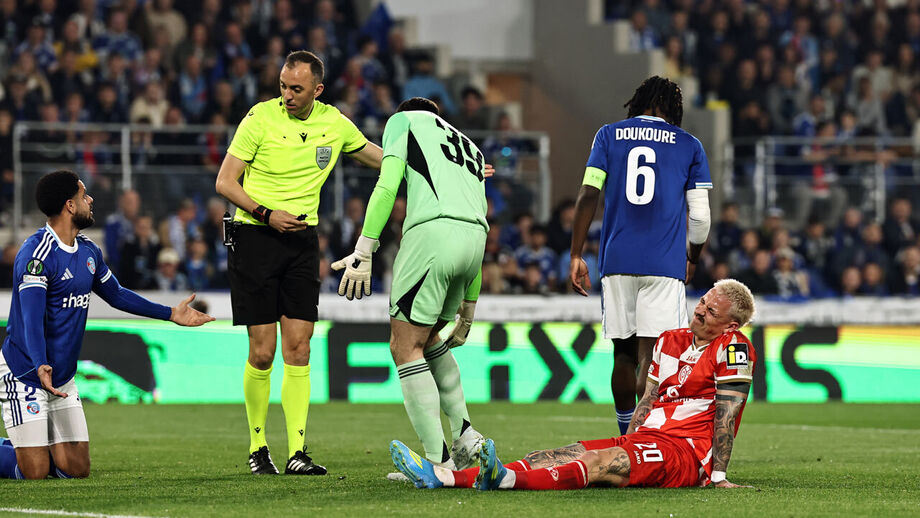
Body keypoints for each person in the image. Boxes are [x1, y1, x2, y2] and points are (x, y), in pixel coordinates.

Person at [391, 279, 757, 491]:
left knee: (598, 461)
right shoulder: (670, 339)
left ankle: (503, 481)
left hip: (684, 453)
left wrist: (718, 475)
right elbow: (649, 398)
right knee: (553, 454)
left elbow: (727, 413)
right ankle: (445, 477)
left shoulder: (734, 347)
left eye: (711, 312)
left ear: (730, 326)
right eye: (703, 302)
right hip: (648, 440)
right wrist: (631, 438)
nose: (700, 310)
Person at [214, 50, 382, 476]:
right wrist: (267, 213)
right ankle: (257, 447)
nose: (287, 95)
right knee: (263, 352)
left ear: (317, 90)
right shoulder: (258, 119)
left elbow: (384, 160)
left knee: (299, 349)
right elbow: (225, 181)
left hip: (303, 243)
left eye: (296, 89)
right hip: (254, 237)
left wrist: (455, 169)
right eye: (283, 87)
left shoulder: (335, 123)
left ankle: (297, 453)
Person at [0, 170, 214, 480]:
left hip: (62, 376)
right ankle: (25, 450)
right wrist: (40, 363)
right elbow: (30, 318)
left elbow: (116, 294)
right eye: (83, 195)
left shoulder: (89, 252)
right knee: (33, 472)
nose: (90, 200)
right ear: (69, 206)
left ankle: (29, 444)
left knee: (75, 469)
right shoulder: (37, 254)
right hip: (26, 372)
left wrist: (170, 313)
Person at [331, 97, 492, 472]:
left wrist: (365, 248)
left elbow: (387, 186)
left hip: (432, 237)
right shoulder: (469, 146)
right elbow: (480, 217)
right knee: (429, 336)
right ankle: (466, 435)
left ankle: (437, 463)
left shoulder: (403, 120)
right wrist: (469, 306)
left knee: (404, 346)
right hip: (474, 245)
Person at [569, 76, 712, 436]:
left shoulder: (607, 135)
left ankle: (624, 436)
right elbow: (701, 216)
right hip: (664, 265)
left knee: (623, 354)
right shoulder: (690, 145)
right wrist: (692, 257)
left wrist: (575, 254)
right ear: (673, 109)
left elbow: (589, 194)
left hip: (617, 261)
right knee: (653, 358)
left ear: (639, 102)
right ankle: (645, 442)